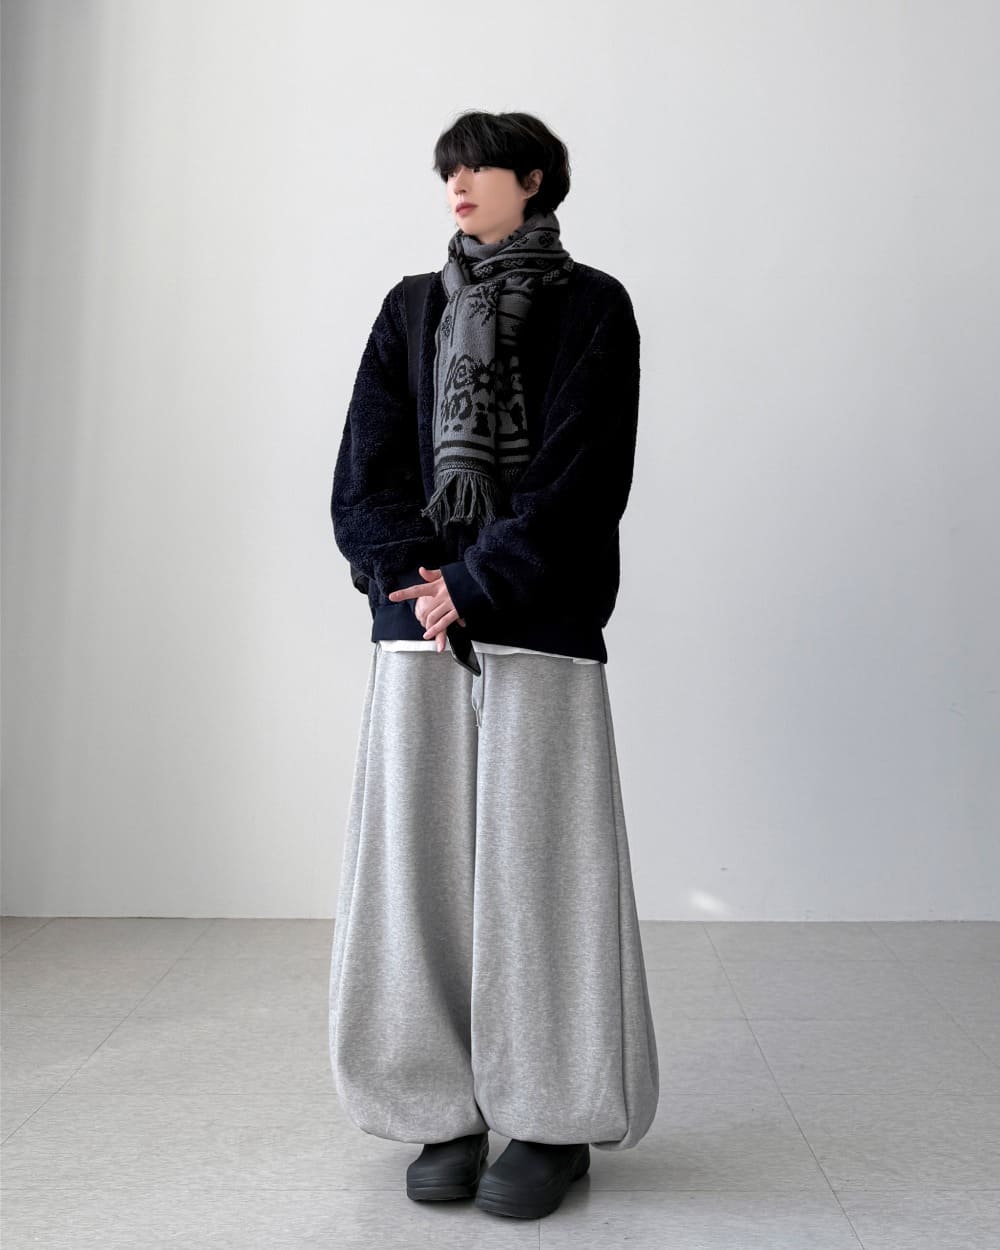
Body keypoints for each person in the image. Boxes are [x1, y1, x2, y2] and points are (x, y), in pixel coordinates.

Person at [327, 110, 659, 1222]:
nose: (457, 184)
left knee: (544, 878)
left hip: (537, 621)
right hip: (418, 629)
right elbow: (366, 466)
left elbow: (585, 476)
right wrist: (416, 581)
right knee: (415, 876)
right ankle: (442, 1107)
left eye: (477, 167)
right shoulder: (409, 308)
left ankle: (552, 1118)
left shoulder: (593, 307)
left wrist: (479, 582)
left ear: (535, 179)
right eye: (448, 169)